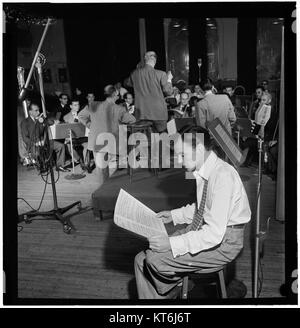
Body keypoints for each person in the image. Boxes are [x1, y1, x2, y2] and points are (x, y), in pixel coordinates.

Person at [134, 127, 251, 299]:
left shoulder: (222, 176)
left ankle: (175, 290)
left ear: (200, 149)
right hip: (205, 229)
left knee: (153, 260)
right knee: (140, 260)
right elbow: (202, 207)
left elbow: (213, 234)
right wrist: (174, 215)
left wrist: (172, 245)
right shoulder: (204, 170)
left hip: (226, 241)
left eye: (182, 154)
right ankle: (170, 290)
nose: (179, 160)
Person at [88, 86, 136, 182]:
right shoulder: (119, 109)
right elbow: (132, 119)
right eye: (118, 95)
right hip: (111, 141)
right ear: (114, 95)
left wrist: (89, 125)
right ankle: (105, 190)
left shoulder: (93, 105)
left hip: (97, 141)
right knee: (109, 168)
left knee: (101, 170)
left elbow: (81, 115)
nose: (118, 97)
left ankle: (102, 191)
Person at [126, 50, 173, 132]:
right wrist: (169, 79)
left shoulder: (135, 73)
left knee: (144, 141)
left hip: (141, 113)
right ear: (154, 59)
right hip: (158, 113)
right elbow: (168, 92)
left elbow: (127, 83)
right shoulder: (161, 74)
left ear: (145, 58)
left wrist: (138, 72)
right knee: (162, 139)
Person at [20, 102, 69, 172]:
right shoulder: (25, 122)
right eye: (36, 110)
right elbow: (25, 138)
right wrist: (35, 143)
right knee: (37, 153)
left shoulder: (41, 119)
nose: (38, 112)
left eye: (38, 110)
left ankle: (60, 166)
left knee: (61, 146)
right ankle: (41, 165)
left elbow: (50, 121)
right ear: (30, 112)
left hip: (45, 141)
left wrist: (53, 120)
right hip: (34, 145)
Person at [63, 99, 88, 170]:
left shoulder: (83, 115)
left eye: (78, 105)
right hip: (72, 137)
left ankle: (85, 163)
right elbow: (66, 130)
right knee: (69, 146)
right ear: (71, 106)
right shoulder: (66, 117)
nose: (77, 107)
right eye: (75, 105)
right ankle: (79, 159)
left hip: (82, 137)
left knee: (87, 145)